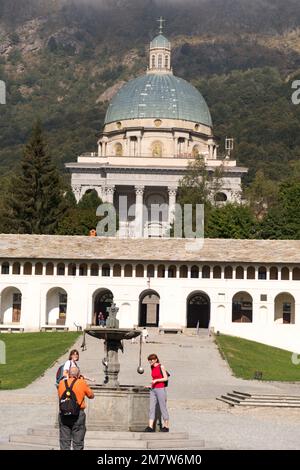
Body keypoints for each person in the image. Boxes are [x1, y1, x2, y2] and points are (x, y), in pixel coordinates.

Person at [58, 366, 94, 450]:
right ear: (78, 374)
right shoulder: (81, 383)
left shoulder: (61, 383)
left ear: (69, 374)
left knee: (64, 441)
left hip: (64, 413)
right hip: (78, 414)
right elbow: (91, 395)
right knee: (78, 442)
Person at [144, 353, 169, 433]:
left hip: (160, 389)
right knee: (151, 408)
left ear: (155, 359)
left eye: (151, 360)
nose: (150, 362)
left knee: (163, 407)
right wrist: (150, 385)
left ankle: (166, 426)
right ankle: (150, 426)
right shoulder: (152, 367)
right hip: (153, 389)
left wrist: (156, 380)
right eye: (149, 360)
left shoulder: (161, 366)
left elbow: (165, 378)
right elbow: (154, 378)